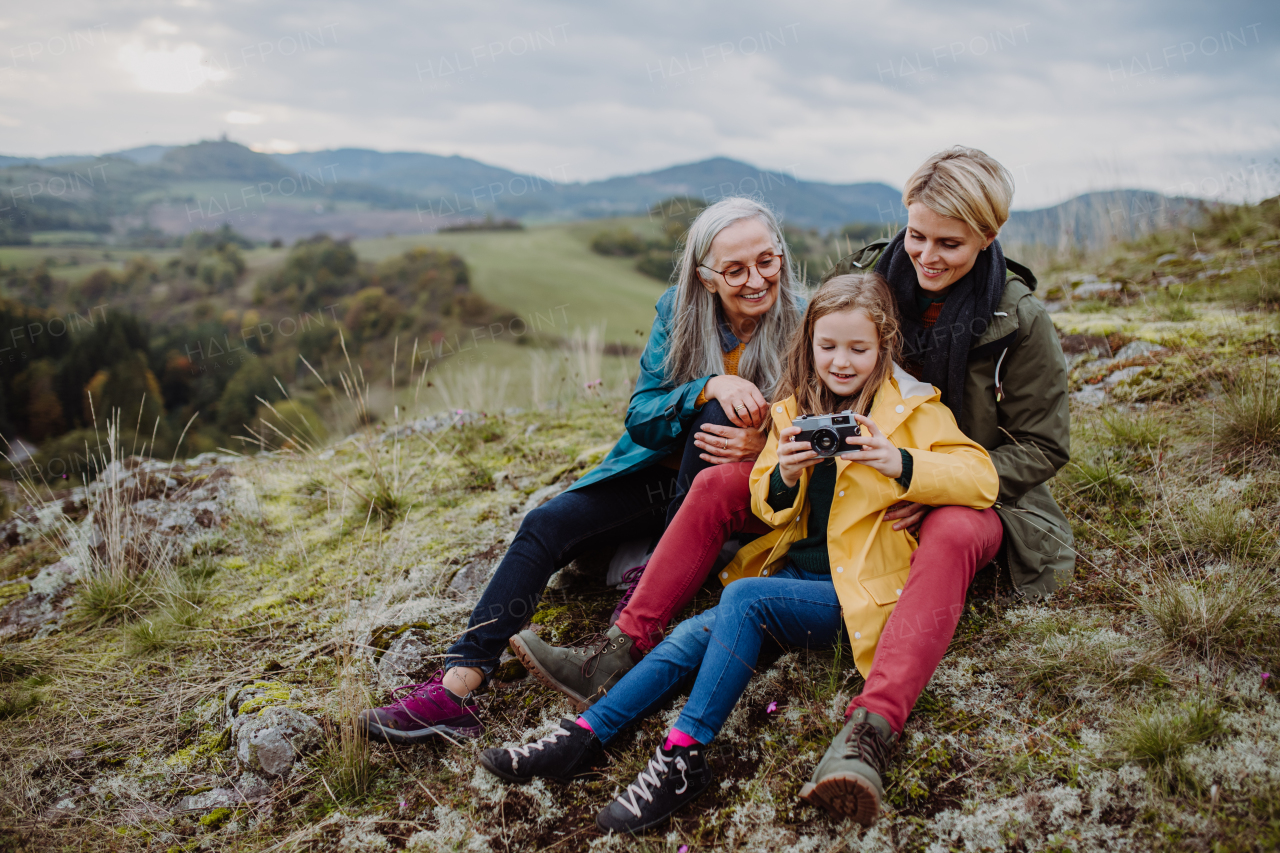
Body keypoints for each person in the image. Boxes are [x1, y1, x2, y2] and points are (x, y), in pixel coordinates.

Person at [515, 146, 1075, 763]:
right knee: (719, 484)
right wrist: (770, 448)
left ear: (988, 238)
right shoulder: (870, 276)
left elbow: (1042, 446)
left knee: (952, 528)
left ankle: (874, 727)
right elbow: (810, 376)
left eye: (950, 244)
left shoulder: (1017, 320)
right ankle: (619, 648)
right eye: (917, 235)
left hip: (964, 481)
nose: (926, 256)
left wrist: (925, 481)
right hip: (849, 476)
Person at [478, 273, 1000, 834]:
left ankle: (681, 757)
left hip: (859, 594)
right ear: (809, 345)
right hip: (797, 578)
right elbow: (766, 502)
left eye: (858, 349)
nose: (841, 362)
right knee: (687, 639)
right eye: (828, 347)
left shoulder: (916, 411)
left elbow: (980, 478)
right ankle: (581, 737)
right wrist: (787, 473)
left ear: (884, 348)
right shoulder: (795, 408)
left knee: (745, 599)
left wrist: (898, 462)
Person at [357, 197, 804, 744]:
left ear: (781, 254)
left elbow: (828, 425)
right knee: (546, 524)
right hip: (654, 477)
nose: (756, 279)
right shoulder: (679, 311)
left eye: (767, 260)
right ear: (706, 277)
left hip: (736, 498)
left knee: (720, 413)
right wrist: (706, 387)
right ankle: (456, 689)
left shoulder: (807, 322)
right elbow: (642, 416)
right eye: (735, 269)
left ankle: (635, 615)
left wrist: (764, 441)